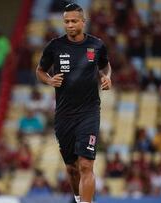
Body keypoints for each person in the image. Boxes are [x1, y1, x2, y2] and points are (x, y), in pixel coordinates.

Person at [35, 3, 112, 203]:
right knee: (72, 168)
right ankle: (79, 198)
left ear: (83, 22)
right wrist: (49, 80)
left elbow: (105, 66)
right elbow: (40, 70)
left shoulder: (96, 45)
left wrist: (106, 77)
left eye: (73, 21)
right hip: (64, 115)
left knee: (86, 165)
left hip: (89, 113)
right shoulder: (55, 46)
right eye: (66, 21)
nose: (69, 25)